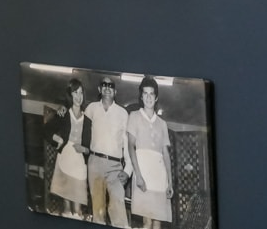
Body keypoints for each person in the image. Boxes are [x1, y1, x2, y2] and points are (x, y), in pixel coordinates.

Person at [85, 76, 131, 227]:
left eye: (110, 86)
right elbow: (80, 128)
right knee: (98, 211)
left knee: (118, 206)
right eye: (104, 85)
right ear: (99, 89)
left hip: (115, 167)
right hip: (95, 164)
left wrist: (128, 170)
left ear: (115, 91)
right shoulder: (91, 108)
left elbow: (127, 144)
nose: (107, 87)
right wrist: (64, 108)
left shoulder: (123, 113)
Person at [127, 76, 172, 229]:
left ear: (156, 97)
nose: (148, 97)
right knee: (146, 223)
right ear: (141, 96)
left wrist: (170, 182)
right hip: (143, 176)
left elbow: (165, 154)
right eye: (145, 93)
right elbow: (131, 146)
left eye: (151, 94)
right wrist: (138, 175)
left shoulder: (162, 124)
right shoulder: (134, 116)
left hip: (159, 178)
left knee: (157, 223)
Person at [45, 78, 91, 219]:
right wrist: (58, 139)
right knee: (66, 209)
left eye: (81, 93)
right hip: (64, 160)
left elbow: (90, 148)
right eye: (75, 92)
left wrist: (84, 149)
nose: (78, 96)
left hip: (79, 164)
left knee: (77, 210)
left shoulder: (88, 120)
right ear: (70, 95)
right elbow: (46, 130)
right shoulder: (63, 113)